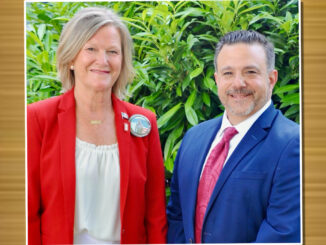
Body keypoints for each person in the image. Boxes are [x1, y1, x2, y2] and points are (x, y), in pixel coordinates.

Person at [27, 7, 167, 244]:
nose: (102, 61)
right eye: (91, 49)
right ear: (71, 57)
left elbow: (155, 215)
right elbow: (27, 212)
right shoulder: (38, 118)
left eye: (113, 51)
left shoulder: (143, 123)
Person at [167, 30, 300, 243]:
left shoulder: (294, 145)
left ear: (271, 78)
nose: (238, 83)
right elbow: (177, 218)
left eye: (250, 72)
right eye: (228, 73)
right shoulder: (194, 137)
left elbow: (281, 235)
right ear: (217, 80)